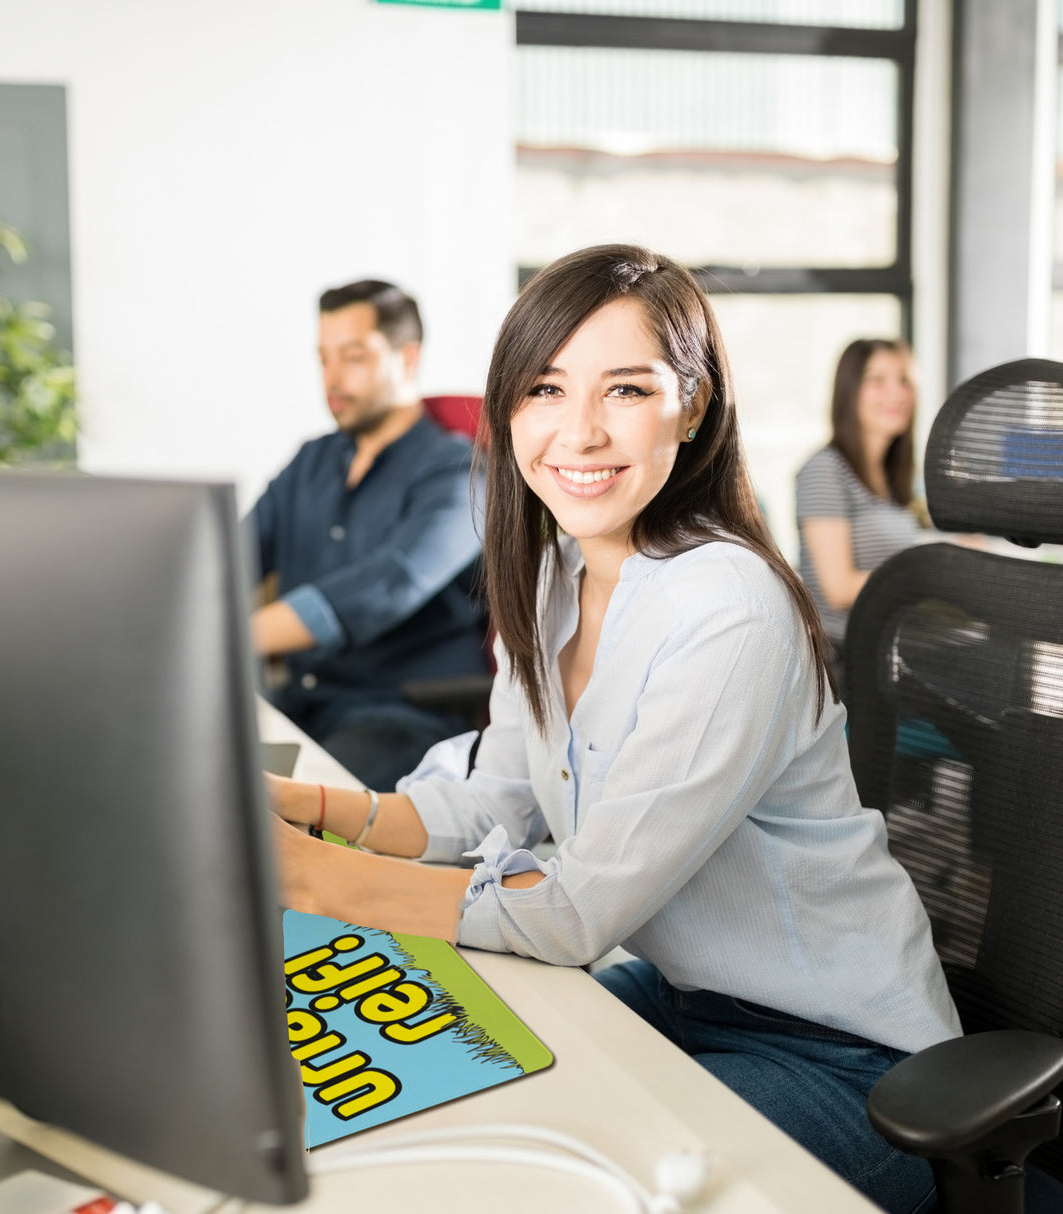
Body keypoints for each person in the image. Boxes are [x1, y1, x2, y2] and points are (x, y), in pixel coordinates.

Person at [267, 245, 960, 1214]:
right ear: (506, 408)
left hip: (843, 1055)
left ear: (692, 404)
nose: (578, 430)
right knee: (443, 1119)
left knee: (559, 1194)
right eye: (544, 388)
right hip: (679, 995)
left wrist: (303, 874)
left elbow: (573, 910)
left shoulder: (728, 606)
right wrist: (294, 806)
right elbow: (490, 795)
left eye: (625, 388)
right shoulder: (553, 570)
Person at [247, 279, 488, 790]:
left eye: (352, 357)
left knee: (283, 817)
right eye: (323, 359)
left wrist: (230, 636)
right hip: (303, 702)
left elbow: (389, 585)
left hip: (403, 714)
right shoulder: (310, 461)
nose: (331, 378)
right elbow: (224, 561)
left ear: (406, 358)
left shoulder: (461, 473)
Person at [795, 338, 931, 679]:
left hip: (891, 649)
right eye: (877, 380)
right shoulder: (824, 470)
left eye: (904, 380)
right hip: (847, 659)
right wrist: (934, 569)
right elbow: (838, 589)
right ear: (849, 390)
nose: (896, 393)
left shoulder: (893, 479)